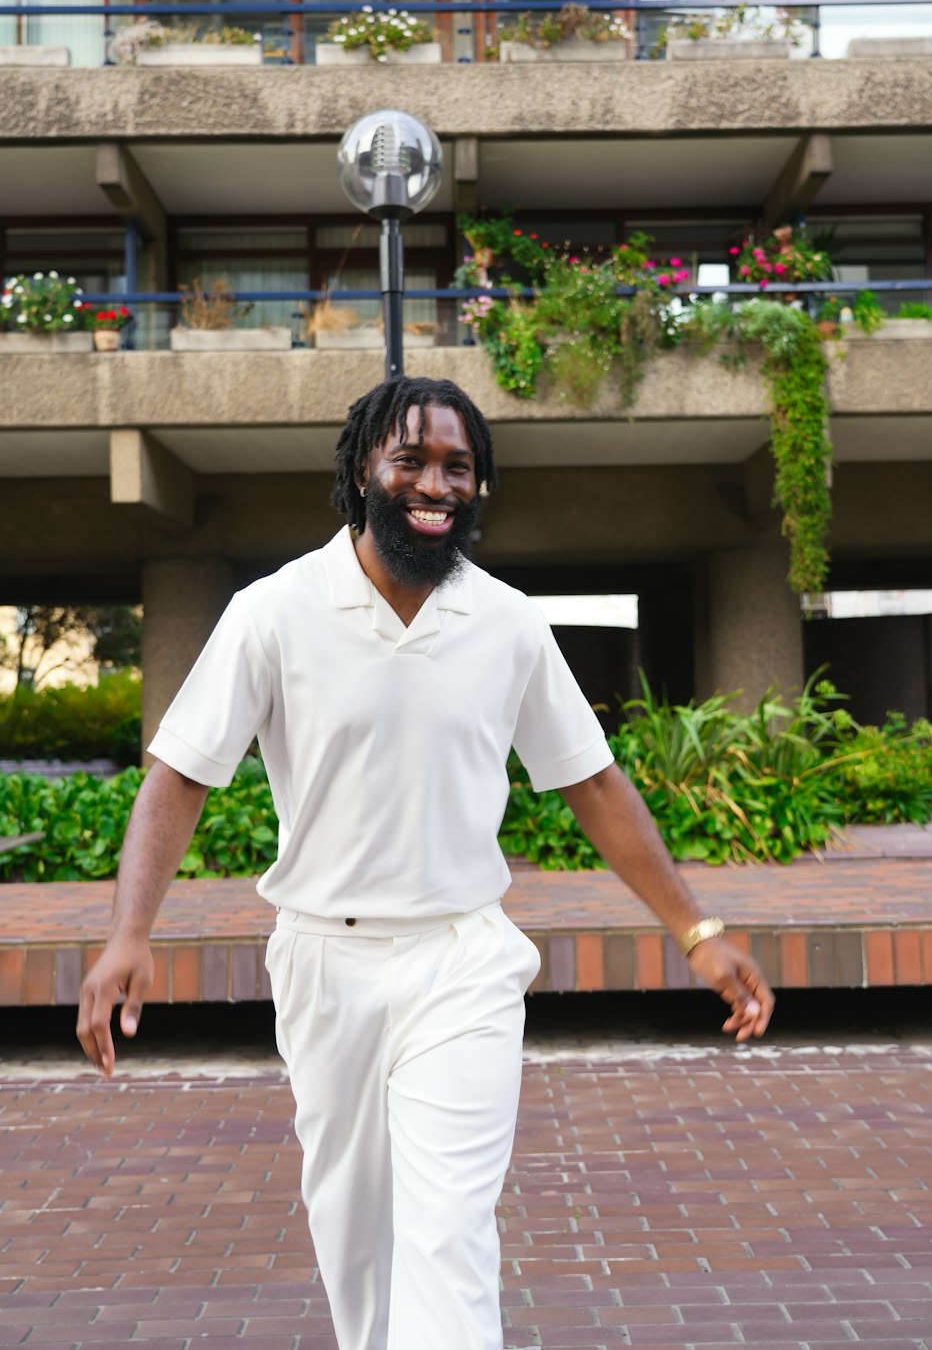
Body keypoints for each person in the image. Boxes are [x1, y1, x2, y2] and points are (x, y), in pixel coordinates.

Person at [77, 375, 774, 1350]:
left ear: (478, 486)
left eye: (457, 465)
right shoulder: (273, 612)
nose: (434, 483)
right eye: (411, 459)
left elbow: (596, 788)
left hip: (462, 961)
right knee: (359, 1251)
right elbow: (179, 776)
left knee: (448, 1237)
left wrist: (696, 933)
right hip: (325, 965)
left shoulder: (508, 623)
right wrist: (129, 935)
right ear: (363, 469)